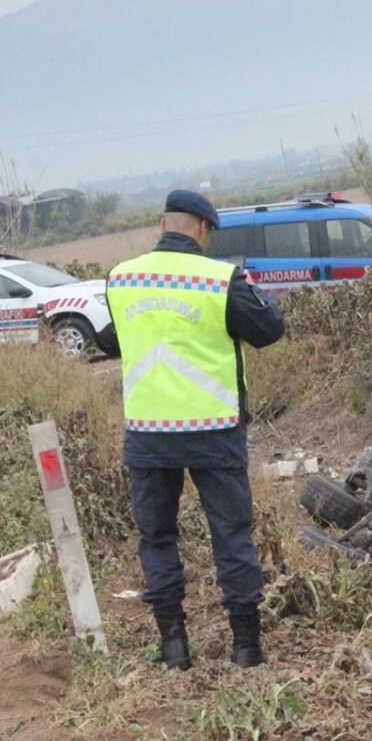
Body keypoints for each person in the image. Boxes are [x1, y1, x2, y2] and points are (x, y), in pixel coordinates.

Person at [105, 190, 285, 670]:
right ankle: (246, 648)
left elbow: (112, 336)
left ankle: (174, 648)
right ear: (203, 229)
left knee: (157, 537)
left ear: (163, 224)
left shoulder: (120, 279)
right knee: (231, 535)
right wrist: (251, 290)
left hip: (147, 432)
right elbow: (270, 330)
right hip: (213, 429)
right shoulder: (221, 280)